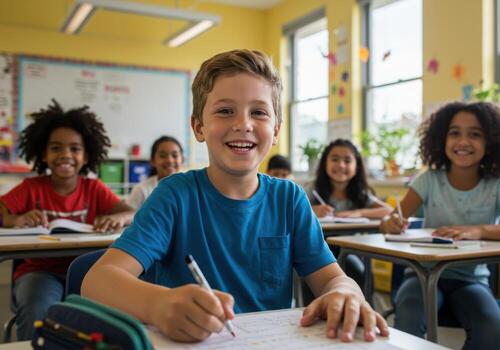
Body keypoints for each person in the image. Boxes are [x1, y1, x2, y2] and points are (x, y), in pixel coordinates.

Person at [82, 49, 388, 343]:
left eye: (258, 112)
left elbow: (333, 279)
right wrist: (157, 305)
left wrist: (346, 292)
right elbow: (97, 281)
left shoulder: (290, 199)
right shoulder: (174, 195)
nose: (243, 124)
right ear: (198, 127)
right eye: (225, 111)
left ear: (276, 130)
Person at [0, 100, 135, 340]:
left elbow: (132, 212)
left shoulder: (93, 188)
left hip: (88, 270)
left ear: (86, 155)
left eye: (75, 148)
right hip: (39, 272)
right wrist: (15, 219)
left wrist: (117, 217)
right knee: (37, 311)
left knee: (108, 316)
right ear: (43, 153)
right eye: (56, 148)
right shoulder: (31, 188)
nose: (65, 155)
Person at [380, 102, 500, 349]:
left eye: (475, 134)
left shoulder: (495, 184)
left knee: (491, 326)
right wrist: (391, 223)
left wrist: (478, 230)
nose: (463, 141)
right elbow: (389, 220)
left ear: (490, 141)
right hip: (422, 274)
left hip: (471, 280)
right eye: (454, 133)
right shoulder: (428, 180)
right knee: (410, 316)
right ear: (441, 139)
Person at [307, 139, 392, 287]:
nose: (341, 165)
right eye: (334, 159)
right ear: (324, 163)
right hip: (317, 250)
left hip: (351, 251)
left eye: (347, 160)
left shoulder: (360, 193)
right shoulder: (313, 190)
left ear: (357, 166)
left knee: (355, 269)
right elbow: (291, 211)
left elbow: (389, 210)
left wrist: (359, 213)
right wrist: (312, 210)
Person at [127, 135, 184, 209]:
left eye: (174, 155)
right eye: (163, 156)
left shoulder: (189, 188)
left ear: (182, 160)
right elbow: (131, 217)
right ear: (152, 161)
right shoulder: (141, 190)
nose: (169, 160)